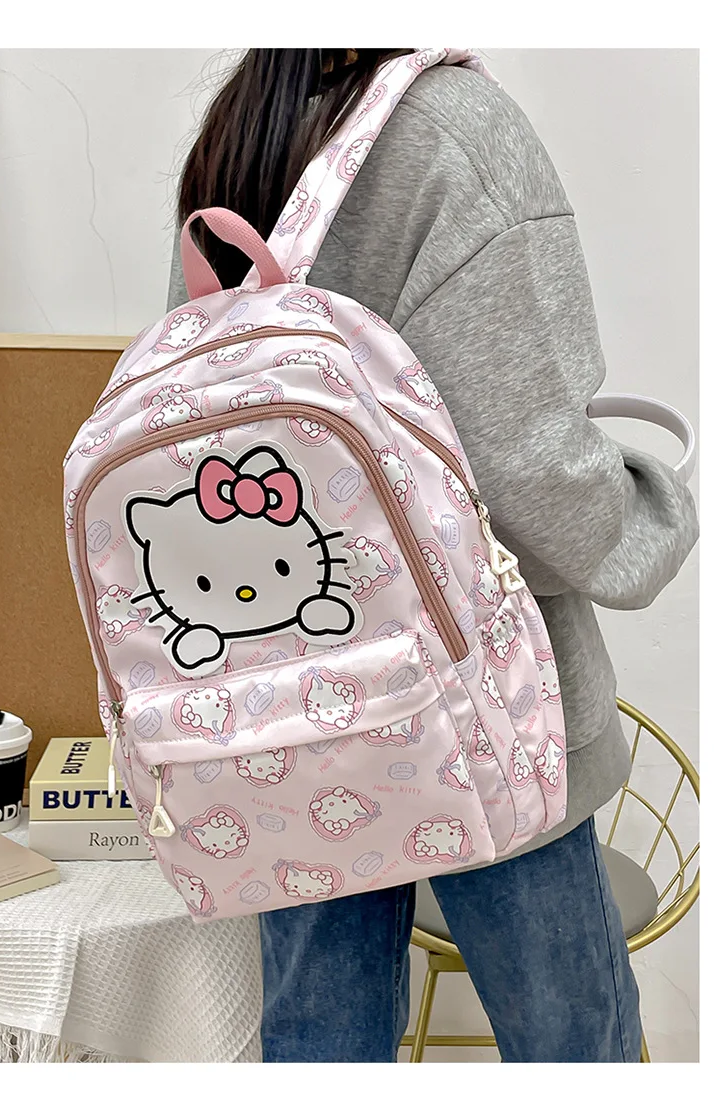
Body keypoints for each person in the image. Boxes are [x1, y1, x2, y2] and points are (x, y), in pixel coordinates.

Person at [167, 48, 698, 1063]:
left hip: (287, 713)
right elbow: (525, 469)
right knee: (569, 1046)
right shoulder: (457, 131)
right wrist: (647, 521)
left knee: (321, 1043)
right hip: (485, 707)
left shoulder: (246, 125)